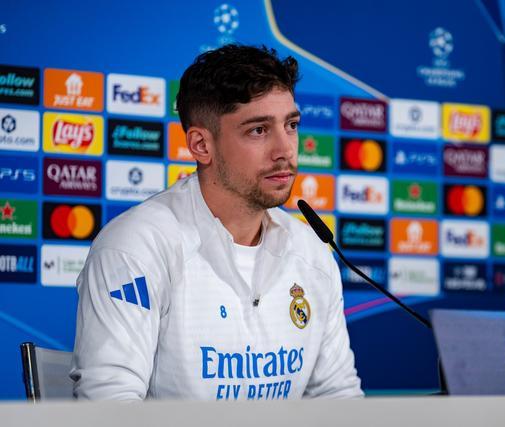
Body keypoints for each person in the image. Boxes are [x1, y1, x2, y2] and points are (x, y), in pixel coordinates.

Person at [70, 44, 363, 400]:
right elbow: (109, 405)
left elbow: (338, 398)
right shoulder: (135, 247)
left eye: (291, 125)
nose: (285, 149)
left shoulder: (312, 252)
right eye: (258, 130)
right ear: (201, 145)